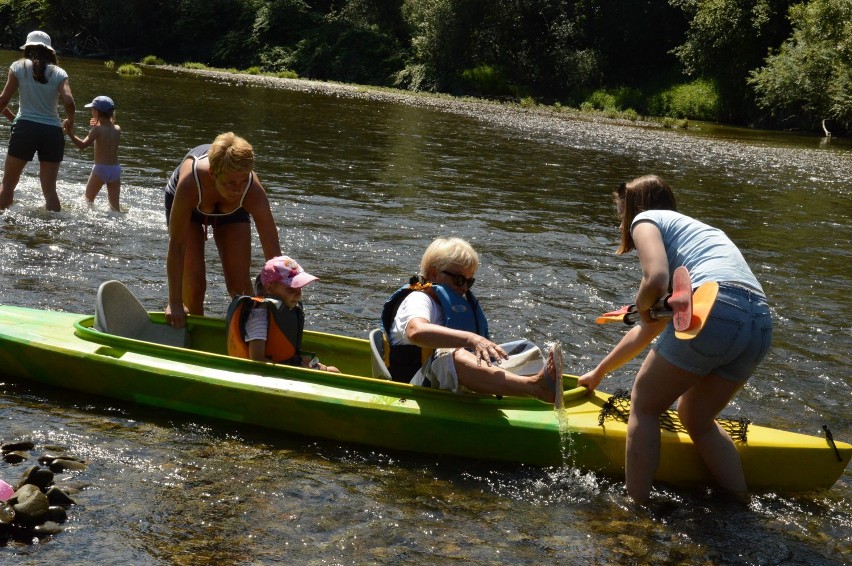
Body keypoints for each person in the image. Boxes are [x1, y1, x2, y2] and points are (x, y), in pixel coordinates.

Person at [578, 175, 772, 503]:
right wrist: (600, 372)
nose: (620, 216)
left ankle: (635, 505)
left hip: (716, 305)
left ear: (632, 206)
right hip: (759, 322)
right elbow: (649, 327)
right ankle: (739, 501)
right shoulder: (697, 236)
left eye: (619, 208)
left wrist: (642, 303)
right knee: (696, 418)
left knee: (644, 403)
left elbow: (655, 277)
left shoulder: (645, 219)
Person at [381, 236, 563, 403]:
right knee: (450, 354)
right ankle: (534, 388)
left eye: (470, 282)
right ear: (434, 274)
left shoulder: (451, 301)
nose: (465, 288)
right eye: (459, 279)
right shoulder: (419, 300)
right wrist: (472, 339)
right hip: (414, 389)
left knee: (525, 350)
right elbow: (416, 332)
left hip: (446, 382)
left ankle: (530, 393)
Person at [163, 132, 281, 329]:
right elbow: (177, 246)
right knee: (195, 286)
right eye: (231, 183)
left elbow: (274, 256)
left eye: (243, 181)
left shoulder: (251, 191)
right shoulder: (190, 183)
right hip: (191, 207)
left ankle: (250, 335)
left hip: (232, 211)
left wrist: (279, 299)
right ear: (213, 174)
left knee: (240, 287)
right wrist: (175, 302)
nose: (238, 189)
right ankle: (195, 335)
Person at [0, 30, 76, 212]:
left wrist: (14, 119)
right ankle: (55, 230)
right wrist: (70, 121)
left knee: (8, 184)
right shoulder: (59, 72)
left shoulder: (18, 67)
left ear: (27, 48)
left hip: (25, 129)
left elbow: (2, 101)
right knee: (50, 190)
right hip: (52, 132)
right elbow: (69, 102)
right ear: (49, 51)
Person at [226, 255, 339, 372]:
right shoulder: (260, 317)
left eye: (300, 287)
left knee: (334, 370)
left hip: (285, 365)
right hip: (266, 373)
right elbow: (257, 359)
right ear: (269, 288)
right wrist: (294, 371)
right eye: (291, 288)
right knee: (333, 372)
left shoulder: (284, 308)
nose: (298, 294)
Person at [65, 95, 122, 211]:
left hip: (100, 169)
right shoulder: (117, 129)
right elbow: (107, 127)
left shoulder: (97, 130)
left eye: (92, 109)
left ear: (96, 111)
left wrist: (70, 133)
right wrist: (97, 123)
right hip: (115, 170)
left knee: (87, 202)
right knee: (115, 208)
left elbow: (82, 145)